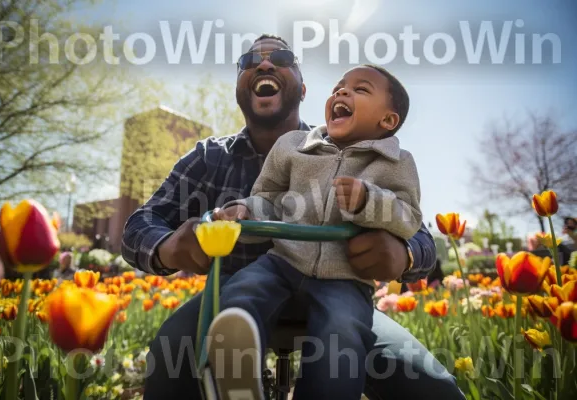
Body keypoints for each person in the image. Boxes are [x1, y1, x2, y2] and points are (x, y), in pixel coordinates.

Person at [121, 34, 466, 399]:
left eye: (281, 57)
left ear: (303, 90)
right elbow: (140, 225)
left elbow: (417, 230)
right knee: (172, 351)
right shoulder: (208, 159)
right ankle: (237, 378)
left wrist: (401, 254)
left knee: (430, 386)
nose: (264, 64)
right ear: (239, 90)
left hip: (342, 289)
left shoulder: (357, 149)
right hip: (240, 295)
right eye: (249, 61)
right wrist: (170, 246)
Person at [209, 63, 423, 399]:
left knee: (342, 331)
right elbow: (270, 200)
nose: (341, 92)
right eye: (339, 86)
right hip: (283, 262)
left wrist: (368, 200)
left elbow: (408, 216)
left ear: (388, 121)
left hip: (345, 276)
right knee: (242, 291)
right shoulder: (293, 146)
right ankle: (238, 376)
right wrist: (245, 211)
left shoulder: (396, 163)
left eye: (360, 89)